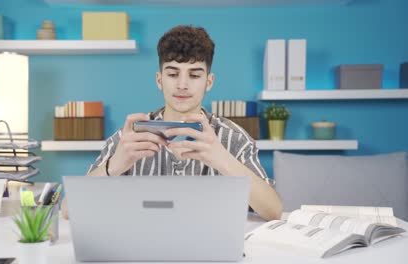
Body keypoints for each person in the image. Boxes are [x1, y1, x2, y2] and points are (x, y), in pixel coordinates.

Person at [62, 25, 283, 221]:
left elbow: (273, 211)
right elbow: (68, 209)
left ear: (209, 82)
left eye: (195, 75)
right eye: (173, 74)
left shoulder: (234, 138)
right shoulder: (129, 137)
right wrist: (116, 164)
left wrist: (222, 159)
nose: (183, 85)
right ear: (160, 80)